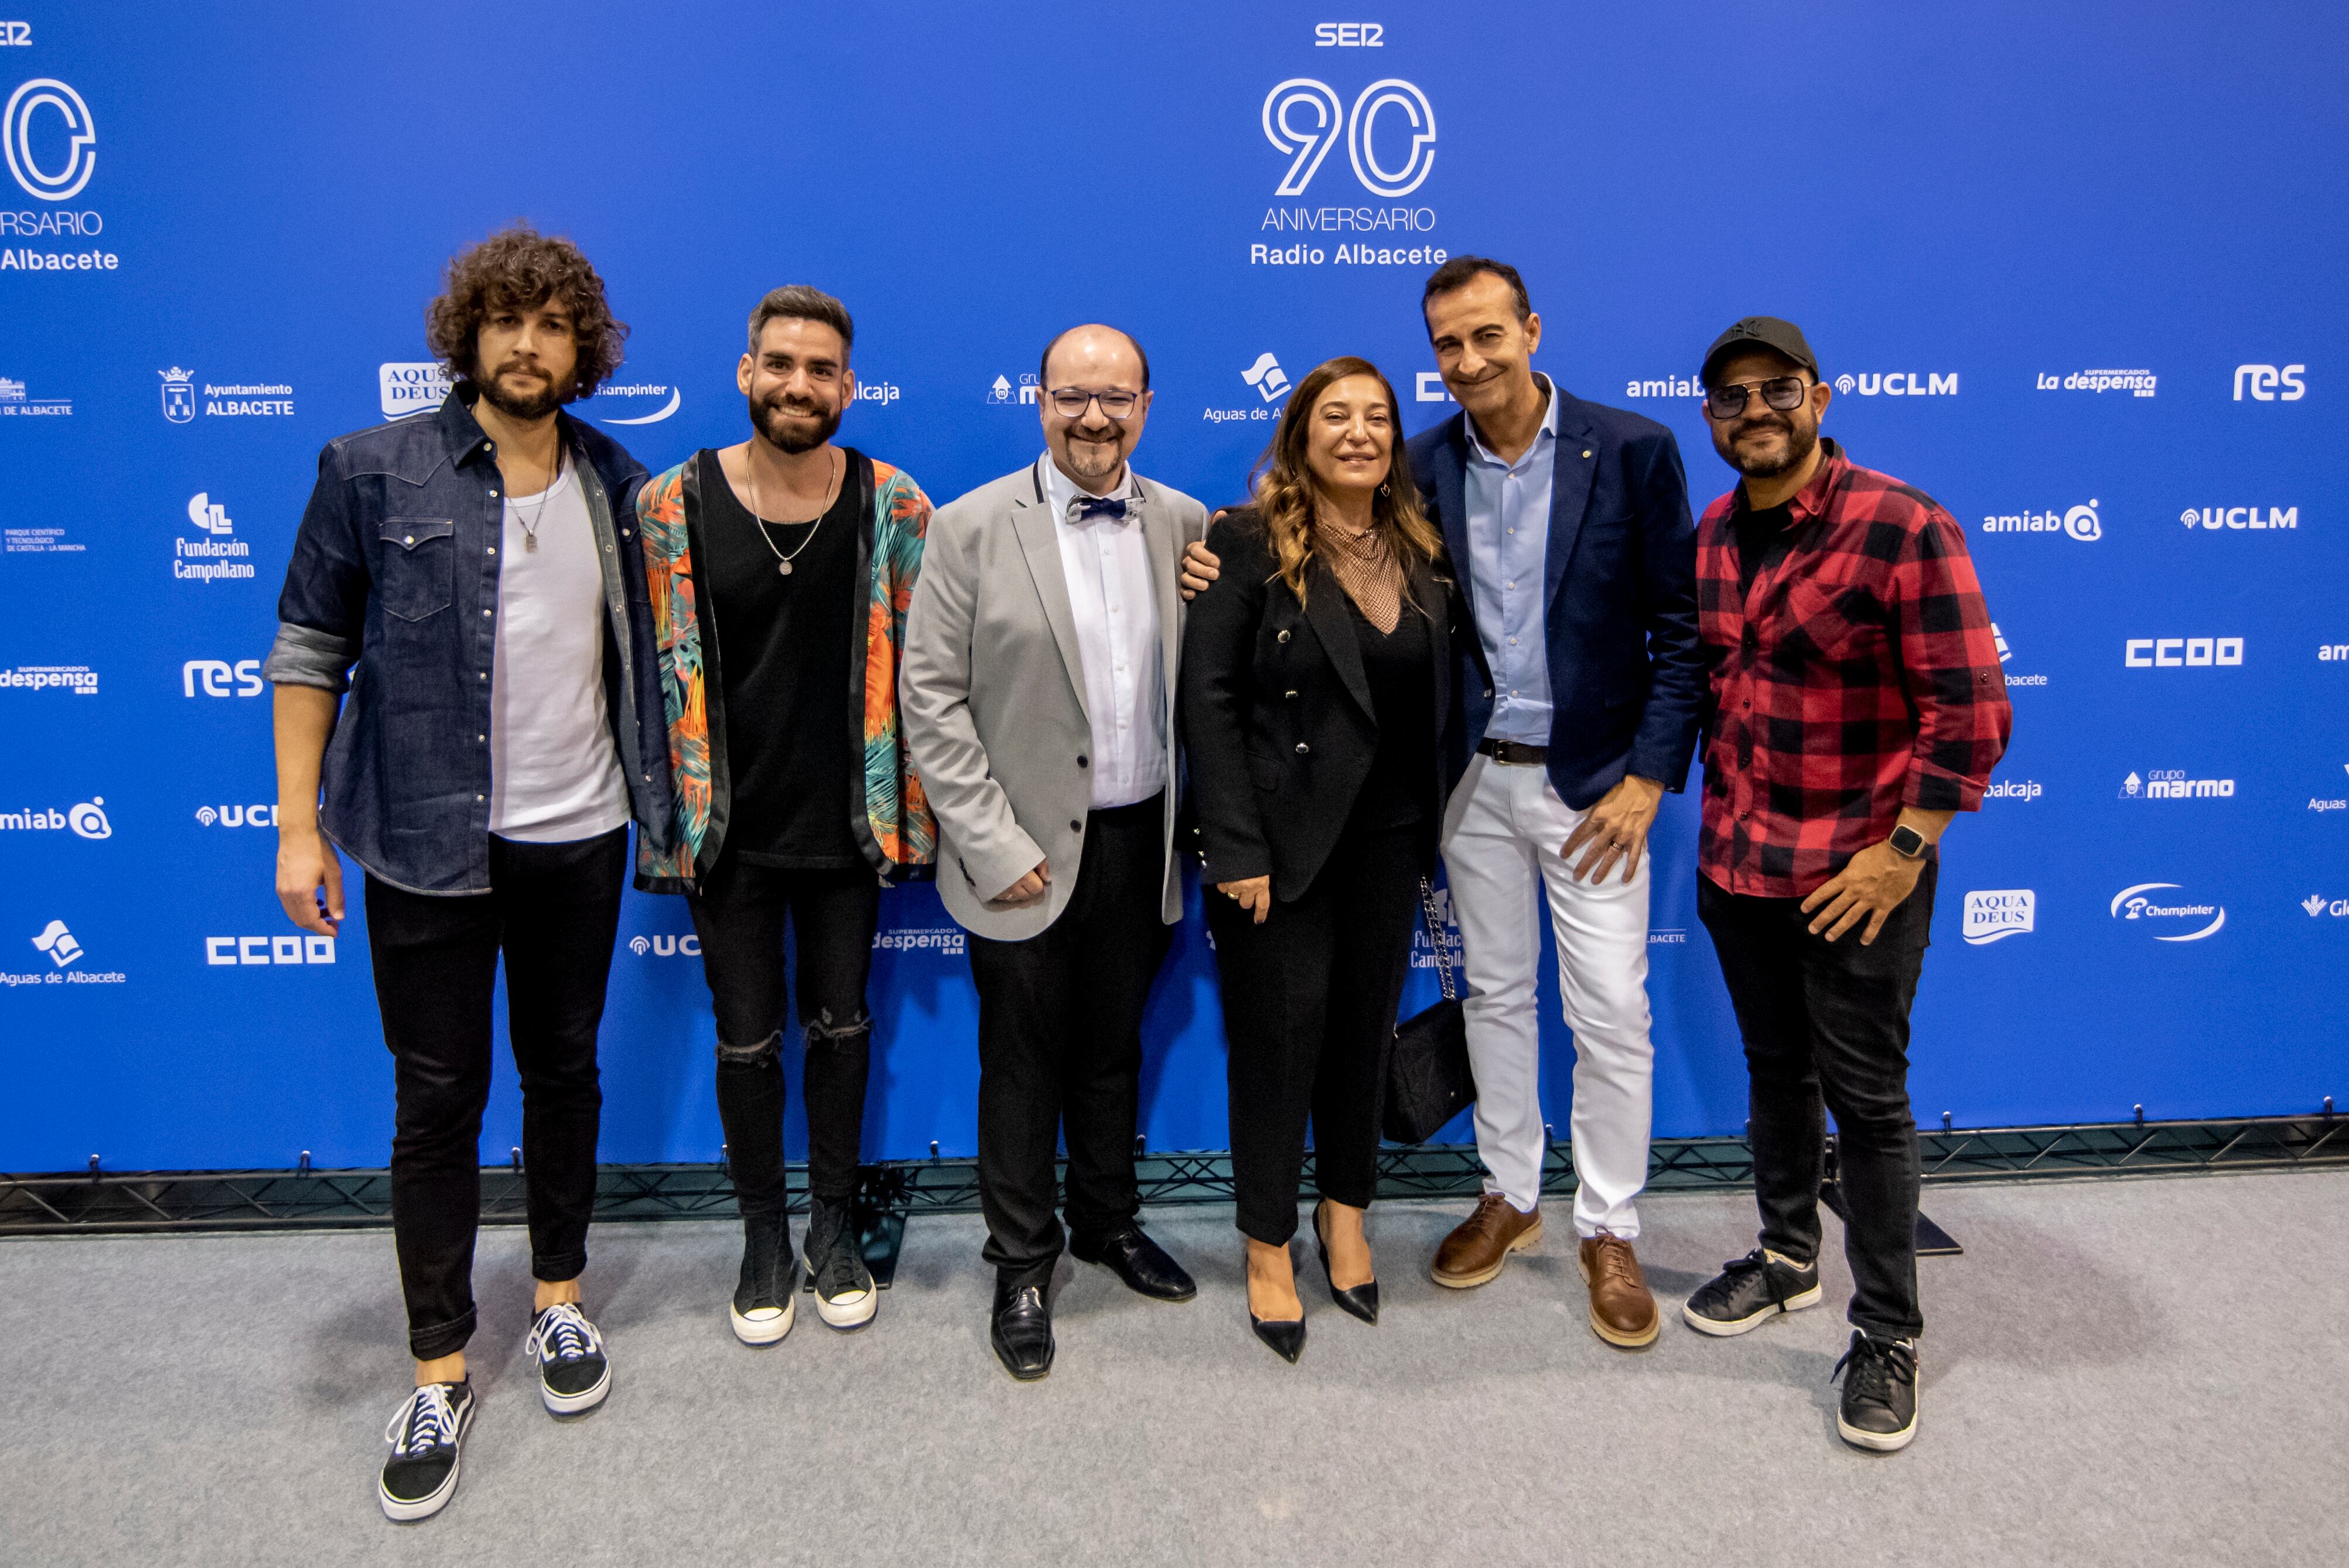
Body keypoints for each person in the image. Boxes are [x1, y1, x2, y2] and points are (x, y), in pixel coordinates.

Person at [1183, 257, 1704, 1348]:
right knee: (1497, 1000)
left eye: (1486, 337)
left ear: (1530, 329)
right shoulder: (1420, 469)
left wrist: (1650, 777)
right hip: (1463, 788)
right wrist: (1211, 570)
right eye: (1447, 345)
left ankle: (1608, 1224)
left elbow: (1680, 634)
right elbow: (1280, 599)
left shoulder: (1637, 451)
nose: (1467, 361)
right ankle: (1509, 1194)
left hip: (1595, 789)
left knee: (1610, 1009)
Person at [266, 224, 671, 1521]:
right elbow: (308, 647)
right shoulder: (370, 471)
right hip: (423, 847)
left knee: (564, 1069)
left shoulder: (623, 485)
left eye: (553, 324)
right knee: (436, 1099)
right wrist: (294, 825)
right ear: (467, 334)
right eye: (506, 320)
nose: (527, 343)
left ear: (582, 349)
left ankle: (557, 1300)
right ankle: (439, 1366)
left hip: (580, 836)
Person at [1678, 316, 2010, 1453]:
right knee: (1775, 1073)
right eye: (1731, 398)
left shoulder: (1901, 524)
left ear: (1820, 397)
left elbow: (1971, 711)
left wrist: (1902, 850)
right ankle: (1783, 1258)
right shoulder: (1715, 533)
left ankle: (1886, 1332)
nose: (1755, 412)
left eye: (1776, 391)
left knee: (1865, 1098)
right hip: (1740, 861)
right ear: (1710, 417)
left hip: (1861, 874)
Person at [901, 324, 1210, 1381]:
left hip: (1140, 840)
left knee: (1113, 1050)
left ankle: (1107, 1224)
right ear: (1038, 400)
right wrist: (992, 846)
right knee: (1022, 1064)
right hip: (1019, 853)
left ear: (1145, 404)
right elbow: (930, 699)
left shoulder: (1183, 524)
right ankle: (1022, 1261)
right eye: (1072, 395)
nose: (1093, 416)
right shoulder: (972, 526)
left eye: (1114, 396)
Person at [631, 286, 933, 1345]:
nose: (799, 385)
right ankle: (764, 1236)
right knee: (746, 1043)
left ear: (848, 386)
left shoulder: (895, 507)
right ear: (746, 371)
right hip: (727, 833)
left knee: (844, 1031)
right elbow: (636, 677)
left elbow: (937, 672)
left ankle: (834, 1230)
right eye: (780, 364)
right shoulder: (669, 505)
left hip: (851, 826)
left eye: (821, 370)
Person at [1180, 357, 1457, 1364]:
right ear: (1300, 433)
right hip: (1277, 850)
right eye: (1334, 416)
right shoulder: (1244, 541)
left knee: (1357, 1040)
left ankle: (1346, 1215)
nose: (1358, 433)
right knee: (1276, 1050)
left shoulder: (1421, 545)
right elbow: (1207, 702)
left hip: (1389, 844)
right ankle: (1266, 1243)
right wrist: (1235, 847)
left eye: (1377, 418)